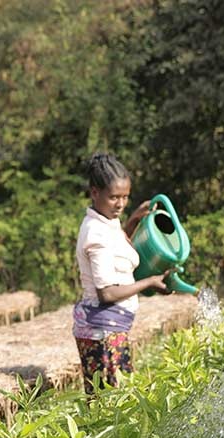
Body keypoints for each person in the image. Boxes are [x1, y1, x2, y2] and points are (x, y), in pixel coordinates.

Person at [72, 152, 171, 394]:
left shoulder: (106, 221)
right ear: (95, 192)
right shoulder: (96, 233)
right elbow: (106, 293)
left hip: (112, 329)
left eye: (125, 197)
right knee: (108, 403)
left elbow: (117, 250)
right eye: (114, 197)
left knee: (118, 398)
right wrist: (149, 281)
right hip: (102, 333)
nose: (120, 204)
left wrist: (134, 219)